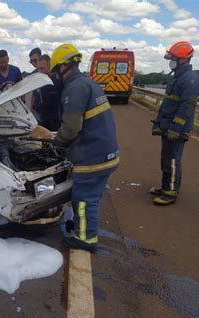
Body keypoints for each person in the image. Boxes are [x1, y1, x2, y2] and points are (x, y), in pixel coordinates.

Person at [51, 43, 119, 252]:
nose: (55, 77)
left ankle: (85, 240)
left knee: (83, 199)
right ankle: (83, 227)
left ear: (63, 67)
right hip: (105, 151)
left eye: (55, 72)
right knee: (90, 198)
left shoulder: (74, 88)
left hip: (92, 155)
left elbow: (71, 127)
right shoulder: (88, 83)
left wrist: (57, 144)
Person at [150, 41, 199, 205]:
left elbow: (186, 107)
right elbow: (168, 104)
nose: (170, 61)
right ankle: (166, 187)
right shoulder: (178, 77)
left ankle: (171, 192)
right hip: (168, 126)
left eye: (173, 58)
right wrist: (159, 123)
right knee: (166, 158)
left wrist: (176, 128)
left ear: (183, 60)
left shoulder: (190, 79)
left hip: (176, 129)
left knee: (172, 159)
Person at [30, 54, 61, 131]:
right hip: (42, 118)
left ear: (50, 67)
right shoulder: (39, 79)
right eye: (38, 69)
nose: (40, 71)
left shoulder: (58, 81)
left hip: (56, 120)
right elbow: (34, 94)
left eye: (42, 68)